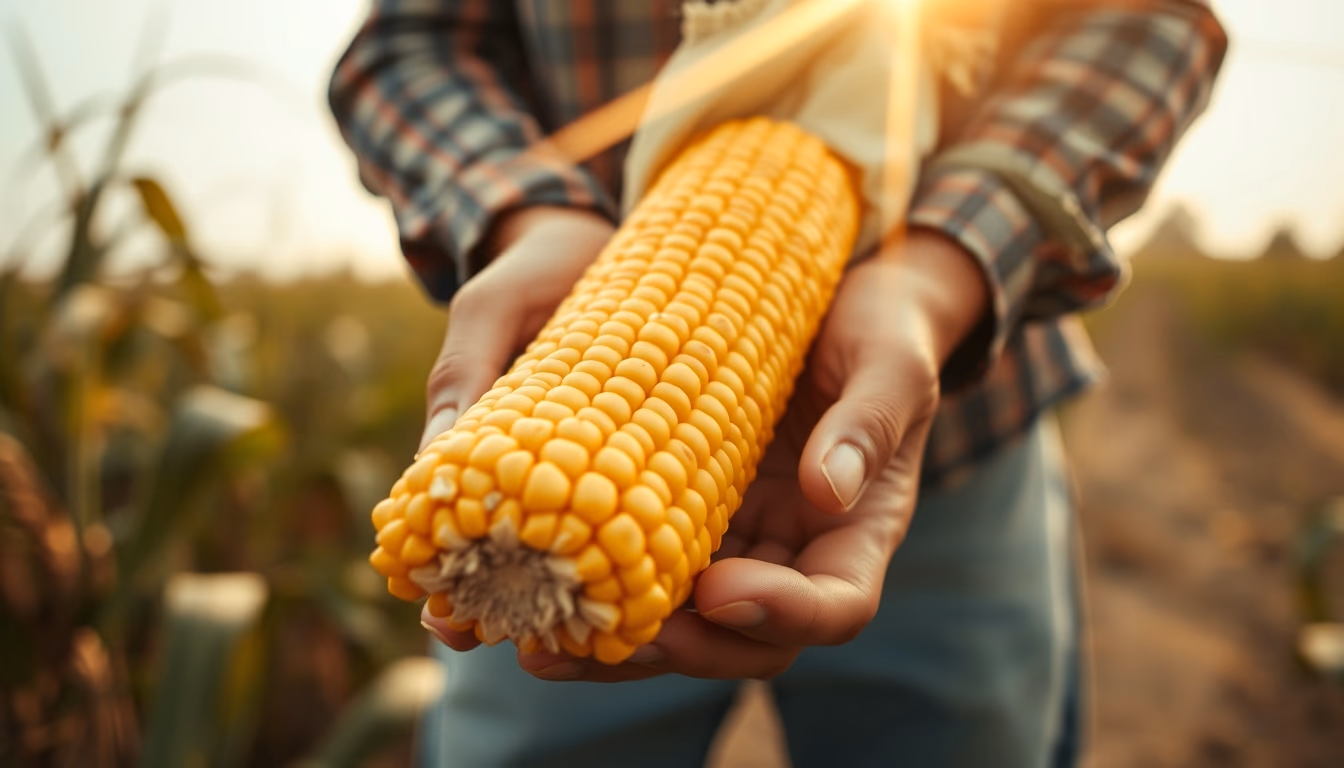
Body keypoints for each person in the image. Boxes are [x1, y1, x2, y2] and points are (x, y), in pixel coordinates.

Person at [330, 1, 1226, 765]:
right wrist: (525, 212)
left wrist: (942, 263)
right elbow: (409, 46)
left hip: (953, 435)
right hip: (540, 468)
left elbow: (1144, 19)